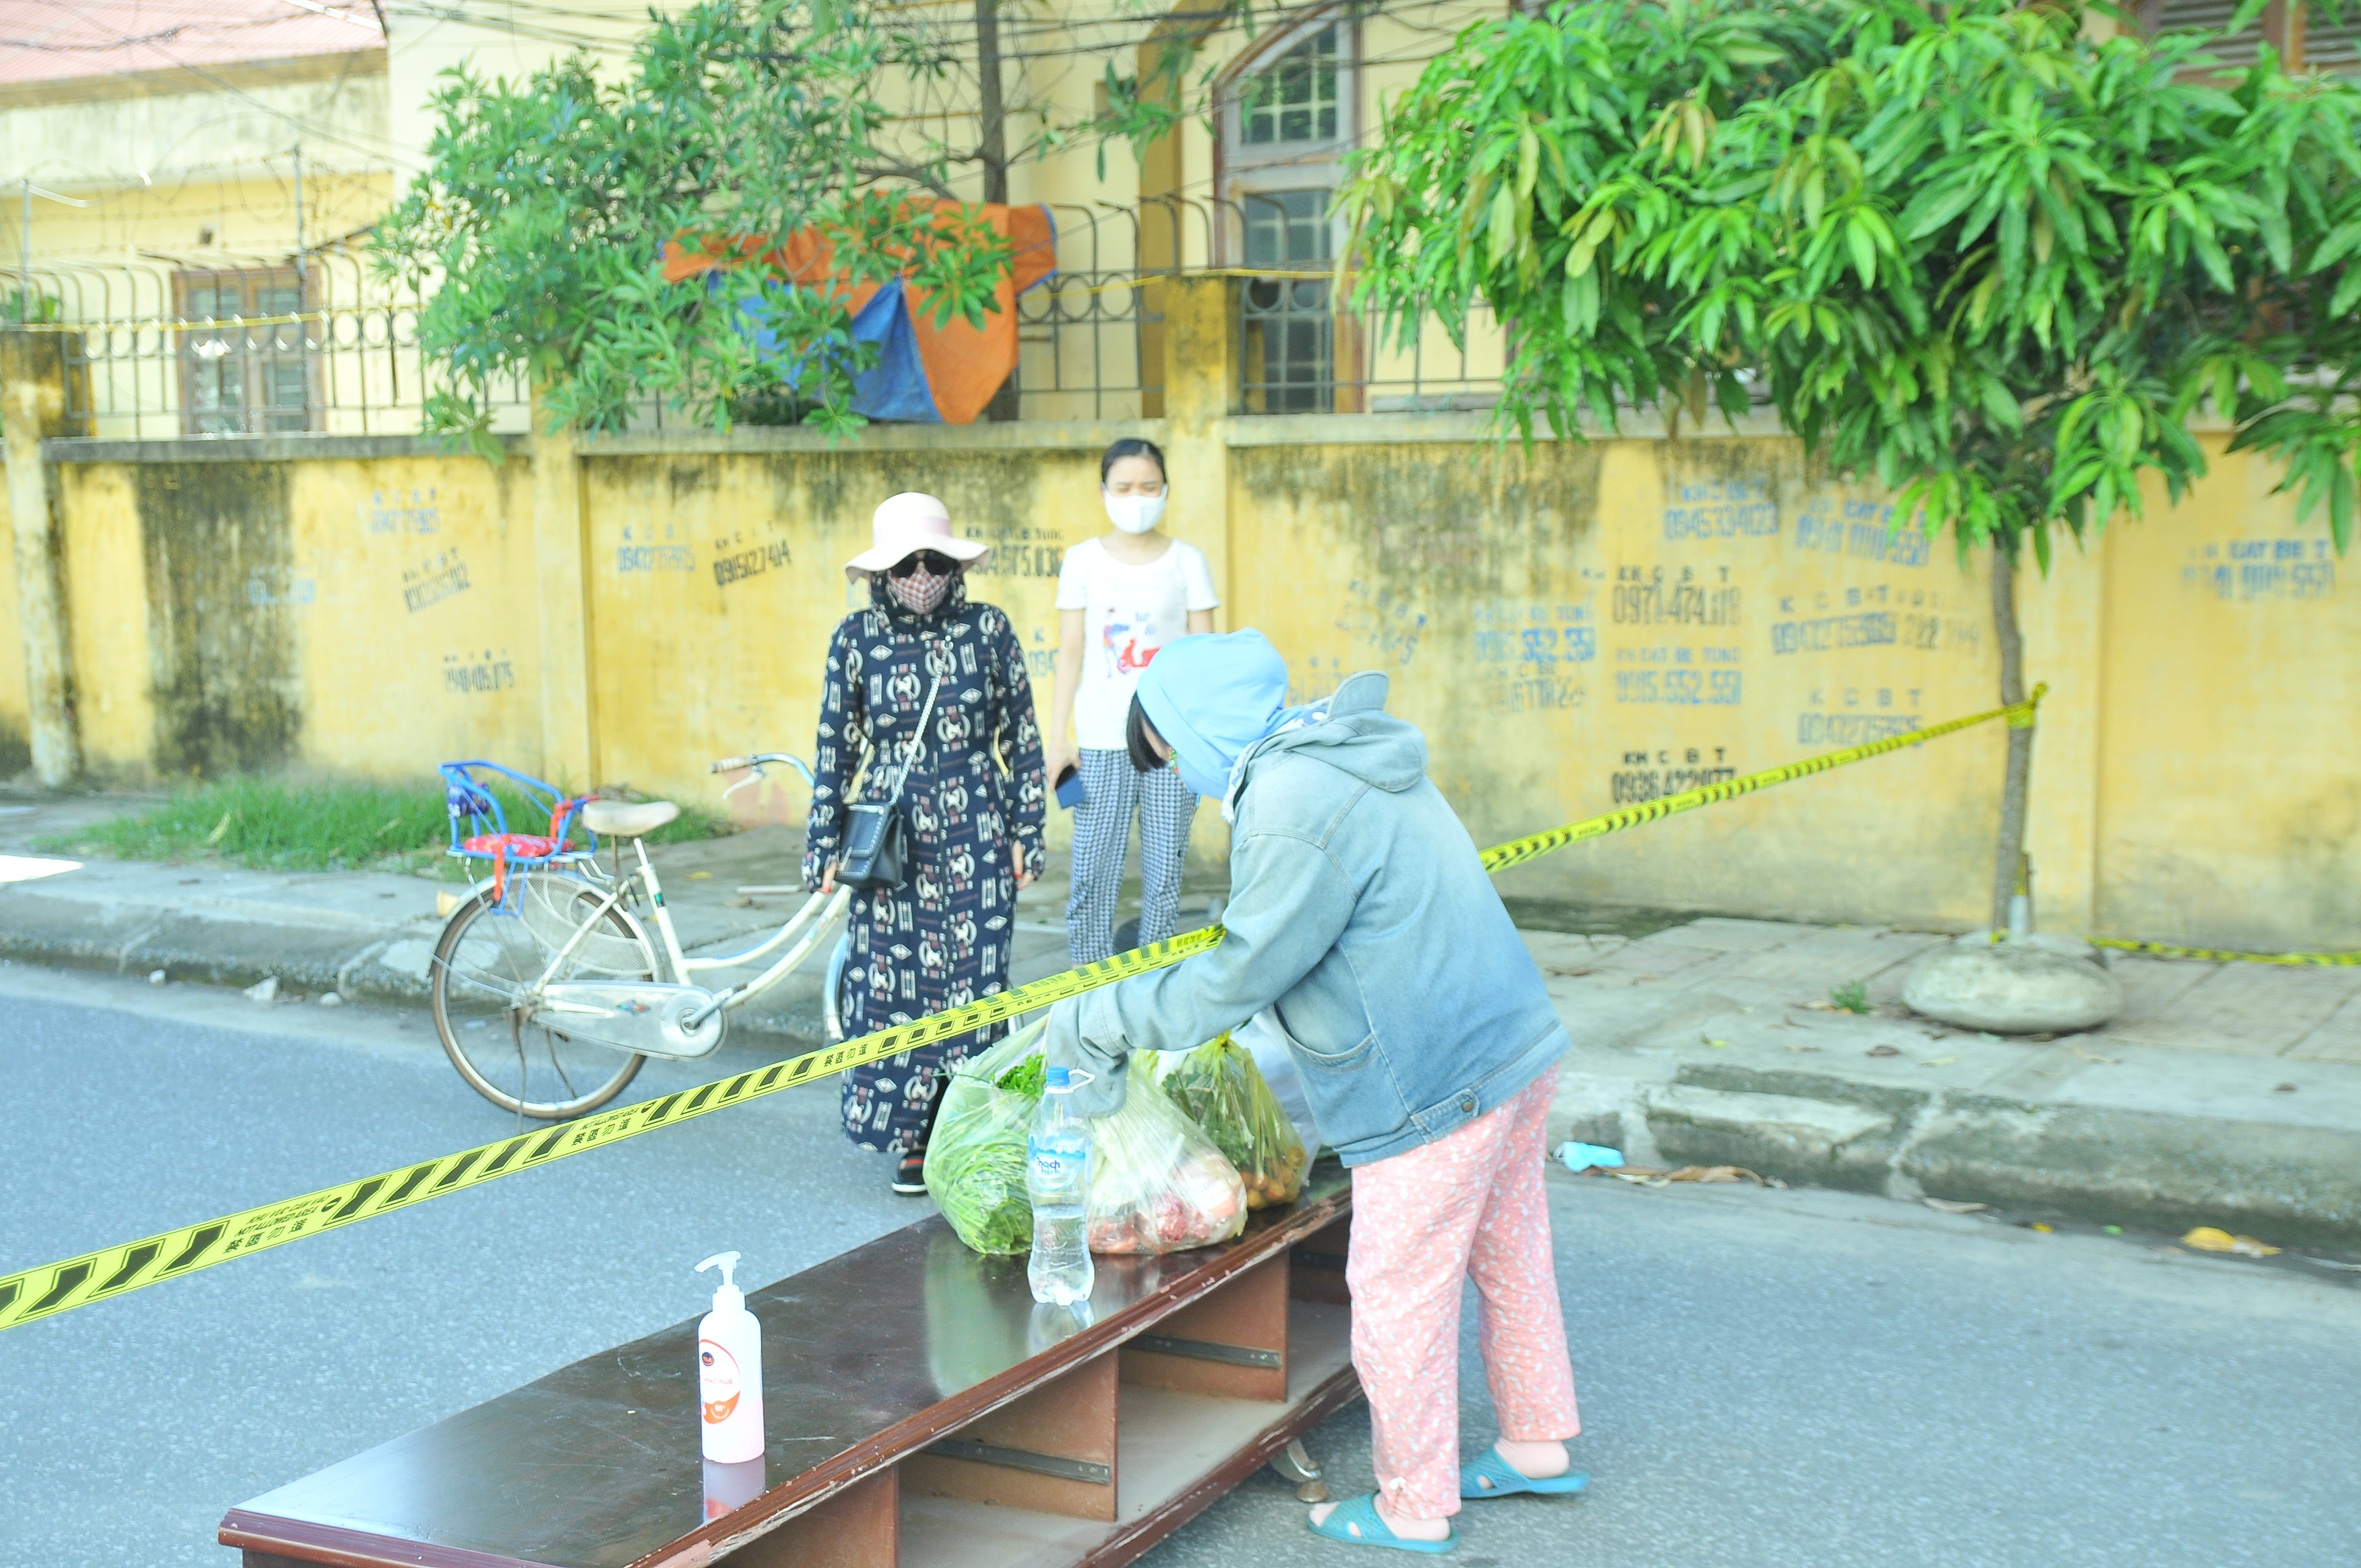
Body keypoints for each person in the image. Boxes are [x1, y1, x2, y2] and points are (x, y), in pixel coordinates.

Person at [1046, 629, 1580, 1554]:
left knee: (1395, 1292)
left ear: (1202, 730)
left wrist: (1104, 1016)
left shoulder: (1289, 799)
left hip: (1434, 1076)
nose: (1184, 777)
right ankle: (1535, 1440)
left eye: (1172, 751)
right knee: (1510, 1248)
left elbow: (1238, 975)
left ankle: (1413, 1502)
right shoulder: (1342, 749)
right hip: (1511, 1044)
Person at [806, 492, 1047, 1195]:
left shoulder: (989, 631)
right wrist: (823, 842)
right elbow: (832, 746)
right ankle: (912, 1134)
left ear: (954, 565)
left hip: (977, 824)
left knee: (974, 982)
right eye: (906, 563)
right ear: (881, 572)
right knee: (891, 987)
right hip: (890, 839)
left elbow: (1022, 740)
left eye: (934, 560)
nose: (921, 573)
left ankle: (965, 1122)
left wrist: (1027, 833)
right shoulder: (853, 641)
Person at [1045, 438, 1219, 963]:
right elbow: (1071, 654)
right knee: (1092, 875)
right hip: (1099, 743)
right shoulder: (1081, 562)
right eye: (1123, 487)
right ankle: (1086, 996)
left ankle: (1152, 997)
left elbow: (1204, 658)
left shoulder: (1189, 562)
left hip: (1170, 748)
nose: (1136, 497)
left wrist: (1201, 742)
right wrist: (1058, 742)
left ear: (1166, 491)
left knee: (1165, 879)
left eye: (1148, 486)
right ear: (1104, 494)